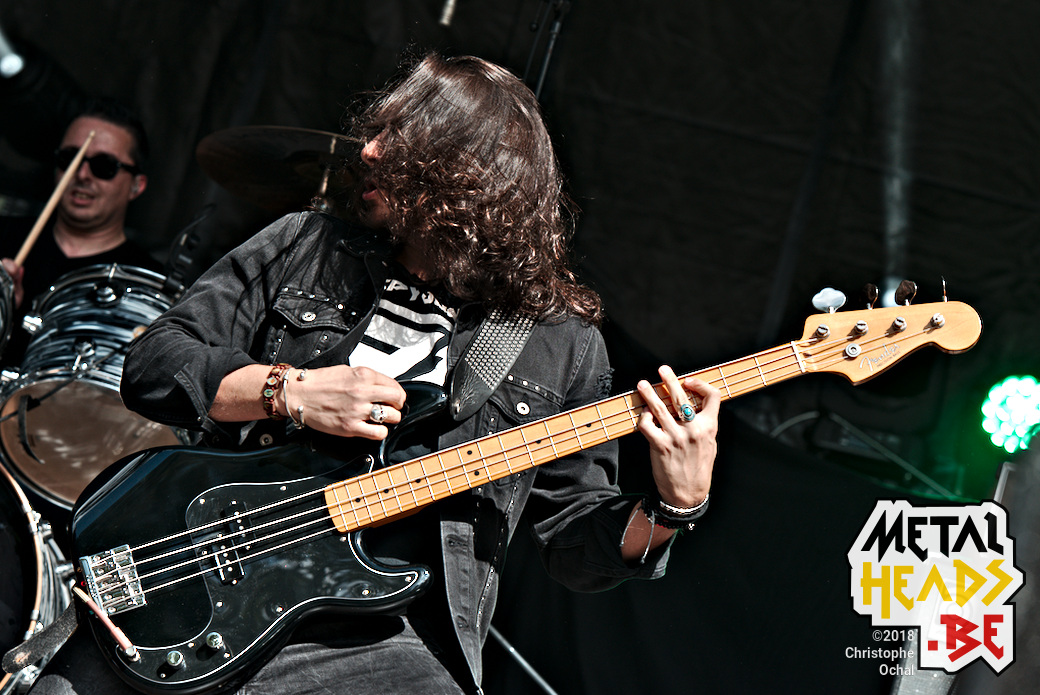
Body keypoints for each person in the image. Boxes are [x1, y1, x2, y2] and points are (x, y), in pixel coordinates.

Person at [27, 54, 721, 695]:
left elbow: (573, 544)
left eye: (401, 137)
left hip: (386, 639)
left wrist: (673, 507)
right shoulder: (306, 244)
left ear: (465, 173)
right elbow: (153, 363)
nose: (369, 151)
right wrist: (288, 391)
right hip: (206, 576)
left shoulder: (560, 343)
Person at [0, 97, 161, 362]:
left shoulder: (148, 284)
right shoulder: (5, 236)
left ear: (137, 185)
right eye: (70, 159)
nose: (82, 174)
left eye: (104, 166)